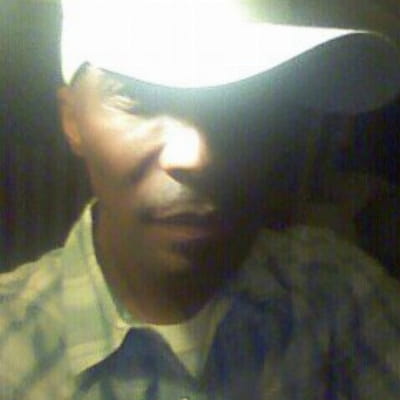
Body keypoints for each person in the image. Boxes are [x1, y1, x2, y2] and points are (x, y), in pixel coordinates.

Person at [1, 1, 400, 399]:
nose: (195, 156)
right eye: (138, 98)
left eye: (246, 101)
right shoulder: (11, 351)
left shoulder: (340, 294)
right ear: (72, 119)